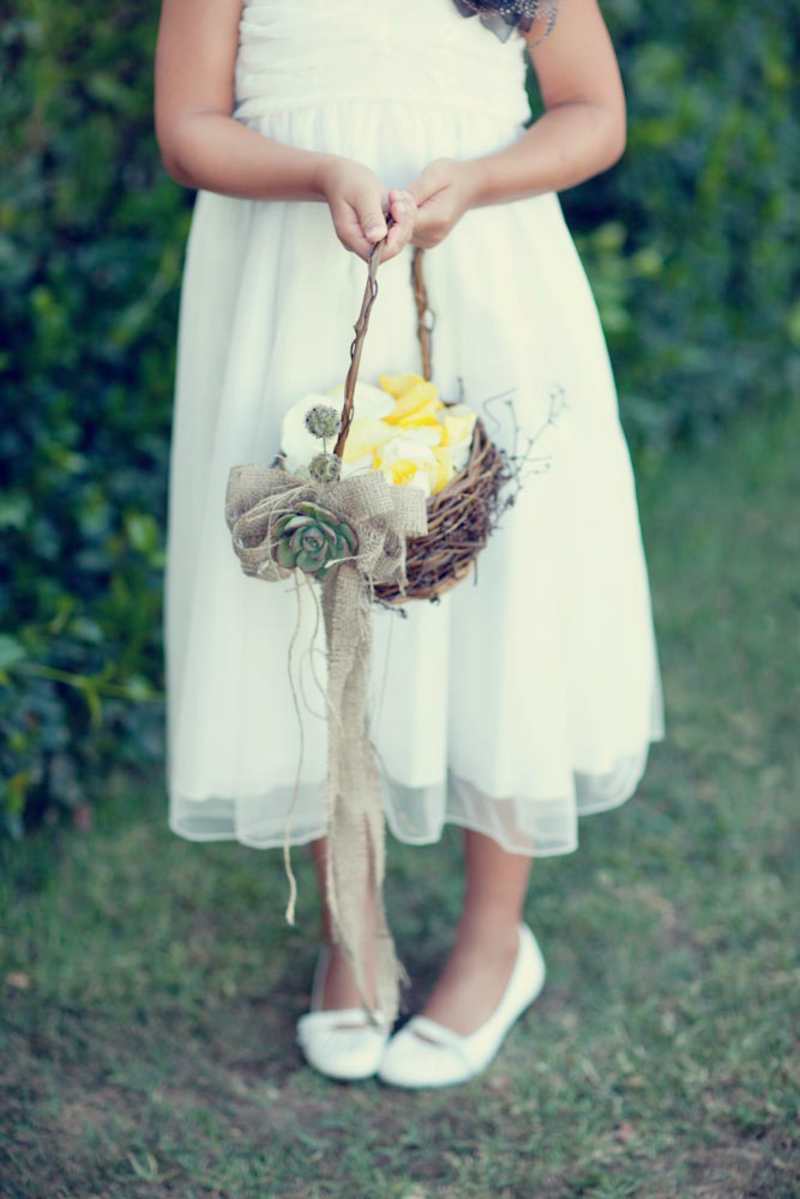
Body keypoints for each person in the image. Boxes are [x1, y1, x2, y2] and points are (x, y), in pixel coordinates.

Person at [153, 0, 666, 1088]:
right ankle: (352, 928)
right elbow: (188, 126)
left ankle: (494, 939)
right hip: (297, 281)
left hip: (488, 280)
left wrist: (477, 179)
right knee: (315, 589)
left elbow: (592, 111)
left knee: (504, 583)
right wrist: (317, 172)